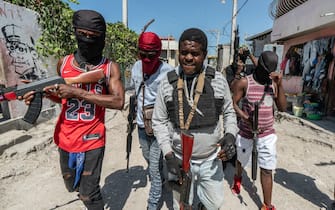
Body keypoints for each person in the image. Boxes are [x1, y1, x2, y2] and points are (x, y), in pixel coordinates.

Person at [22, 10, 125, 210]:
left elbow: (118, 101)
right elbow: (62, 98)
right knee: (72, 184)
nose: (87, 40)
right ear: (75, 33)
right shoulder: (64, 63)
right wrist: (40, 95)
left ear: (102, 37)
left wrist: (78, 92)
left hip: (93, 138)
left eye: (93, 37)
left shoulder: (109, 68)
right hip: (65, 136)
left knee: (89, 195)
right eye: (82, 34)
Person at [152, 28, 238, 210]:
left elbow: (229, 112)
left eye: (195, 53)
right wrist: (168, 155)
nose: (188, 58)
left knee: (213, 205)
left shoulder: (218, 80)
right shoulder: (167, 82)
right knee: (182, 206)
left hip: (211, 160)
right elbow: (158, 121)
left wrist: (230, 135)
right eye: (184, 53)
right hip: (179, 161)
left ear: (205, 55)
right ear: (178, 53)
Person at [231, 51, 287, 210]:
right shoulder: (244, 82)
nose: (267, 74)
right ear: (258, 66)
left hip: (267, 134)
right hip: (246, 133)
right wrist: (244, 117)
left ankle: (267, 205)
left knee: (267, 169)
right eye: (264, 70)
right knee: (241, 160)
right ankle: (238, 177)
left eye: (270, 71)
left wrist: (280, 84)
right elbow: (233, 103)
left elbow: (282, 108)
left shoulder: (273, 83)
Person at [130, 31, 173, 210]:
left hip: (160, 126)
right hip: (141, 125)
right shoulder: (135, 67)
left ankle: (153, 204)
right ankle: (161, 179)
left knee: (154, 168)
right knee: (148, 158)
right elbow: (135, 92)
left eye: (151, 54)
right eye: (143, 54)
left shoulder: (168, 72)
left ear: (159, 53)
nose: (147, 58)